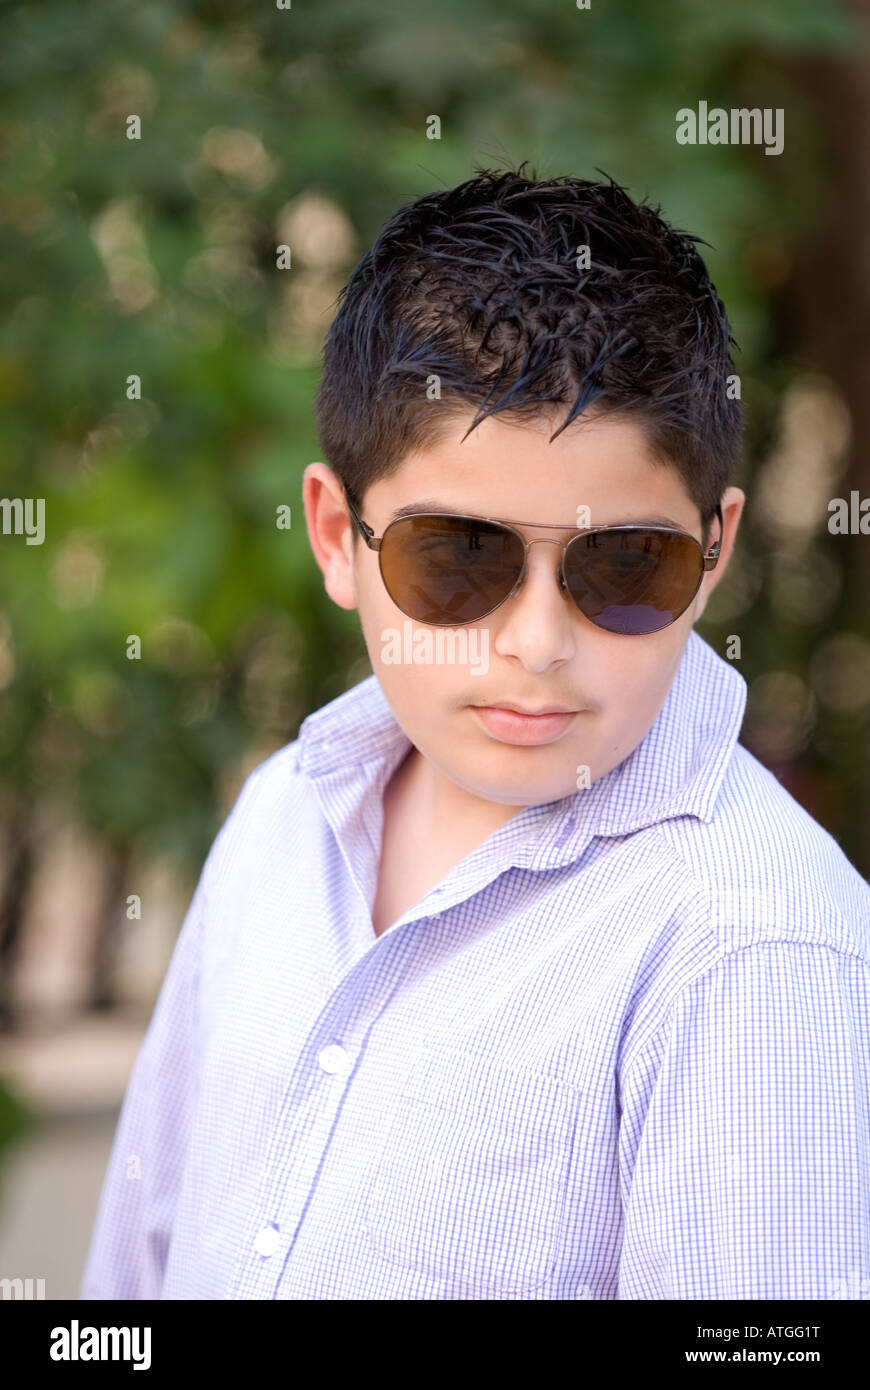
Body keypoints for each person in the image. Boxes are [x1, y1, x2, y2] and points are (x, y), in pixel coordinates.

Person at [80, 167, 870, 1300]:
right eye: (459, 555)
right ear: (337, 536)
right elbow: (136, 1267)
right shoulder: (282, 814)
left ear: (716, 550)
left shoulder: (753, 946)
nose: (538, 639)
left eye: (624, 564)